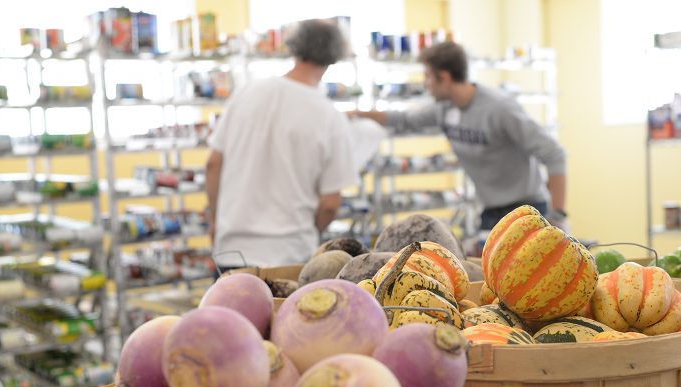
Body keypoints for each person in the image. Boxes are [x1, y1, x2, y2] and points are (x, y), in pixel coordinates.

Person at [349, 41, 568, 232]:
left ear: (444, 78)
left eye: (427, 76)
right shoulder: (444, 108)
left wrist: (557, 215)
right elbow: (404, 119)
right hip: (492, 211)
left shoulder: (500, 109)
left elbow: (554, 154)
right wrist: (357, 113)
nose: (424, 83)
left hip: (527, 209)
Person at [205, 19, 357, 269]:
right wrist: (310, 231)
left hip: (232, 249)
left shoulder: (246, 94)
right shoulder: (329, 117)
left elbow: (213, 164)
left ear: (294, 47)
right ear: (334, 57)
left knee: (227, 308)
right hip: (289, 254)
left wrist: (215, 221)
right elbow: (330, 204)